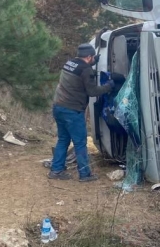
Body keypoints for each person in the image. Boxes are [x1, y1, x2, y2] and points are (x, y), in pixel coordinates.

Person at [48, 43, 114, 182]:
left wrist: (92, 63)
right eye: (92, 58)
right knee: (80, 143)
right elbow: (92, 91)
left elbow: (80, 68)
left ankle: (56, 170)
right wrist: (108, 87)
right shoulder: (86, 70)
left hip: (58, 106)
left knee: (63, 139)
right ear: (89, 56)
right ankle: (85, 174)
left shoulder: (69, 63)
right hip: (72, 111)